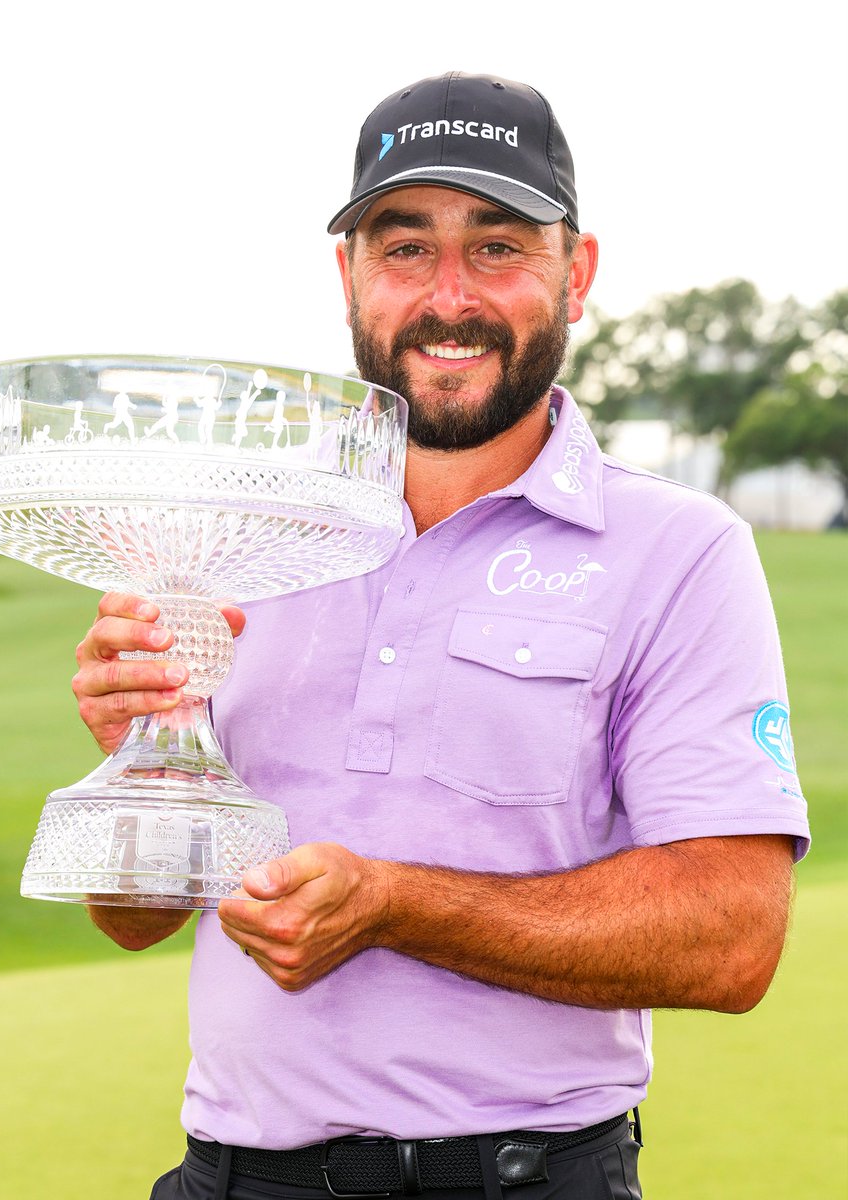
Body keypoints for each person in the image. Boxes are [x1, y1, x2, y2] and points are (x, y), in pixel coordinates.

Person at [72, 73, 810, 1199]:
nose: (448, 296)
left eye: (500, 247)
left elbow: (731, 937)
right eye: (404, 248)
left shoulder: (681, 549)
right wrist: (139, 756)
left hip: (524, 1178)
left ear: (579, 274)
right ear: (350, 274)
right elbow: (135, 918)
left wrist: (396, 905)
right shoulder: (237, 533)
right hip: (230, 1175)